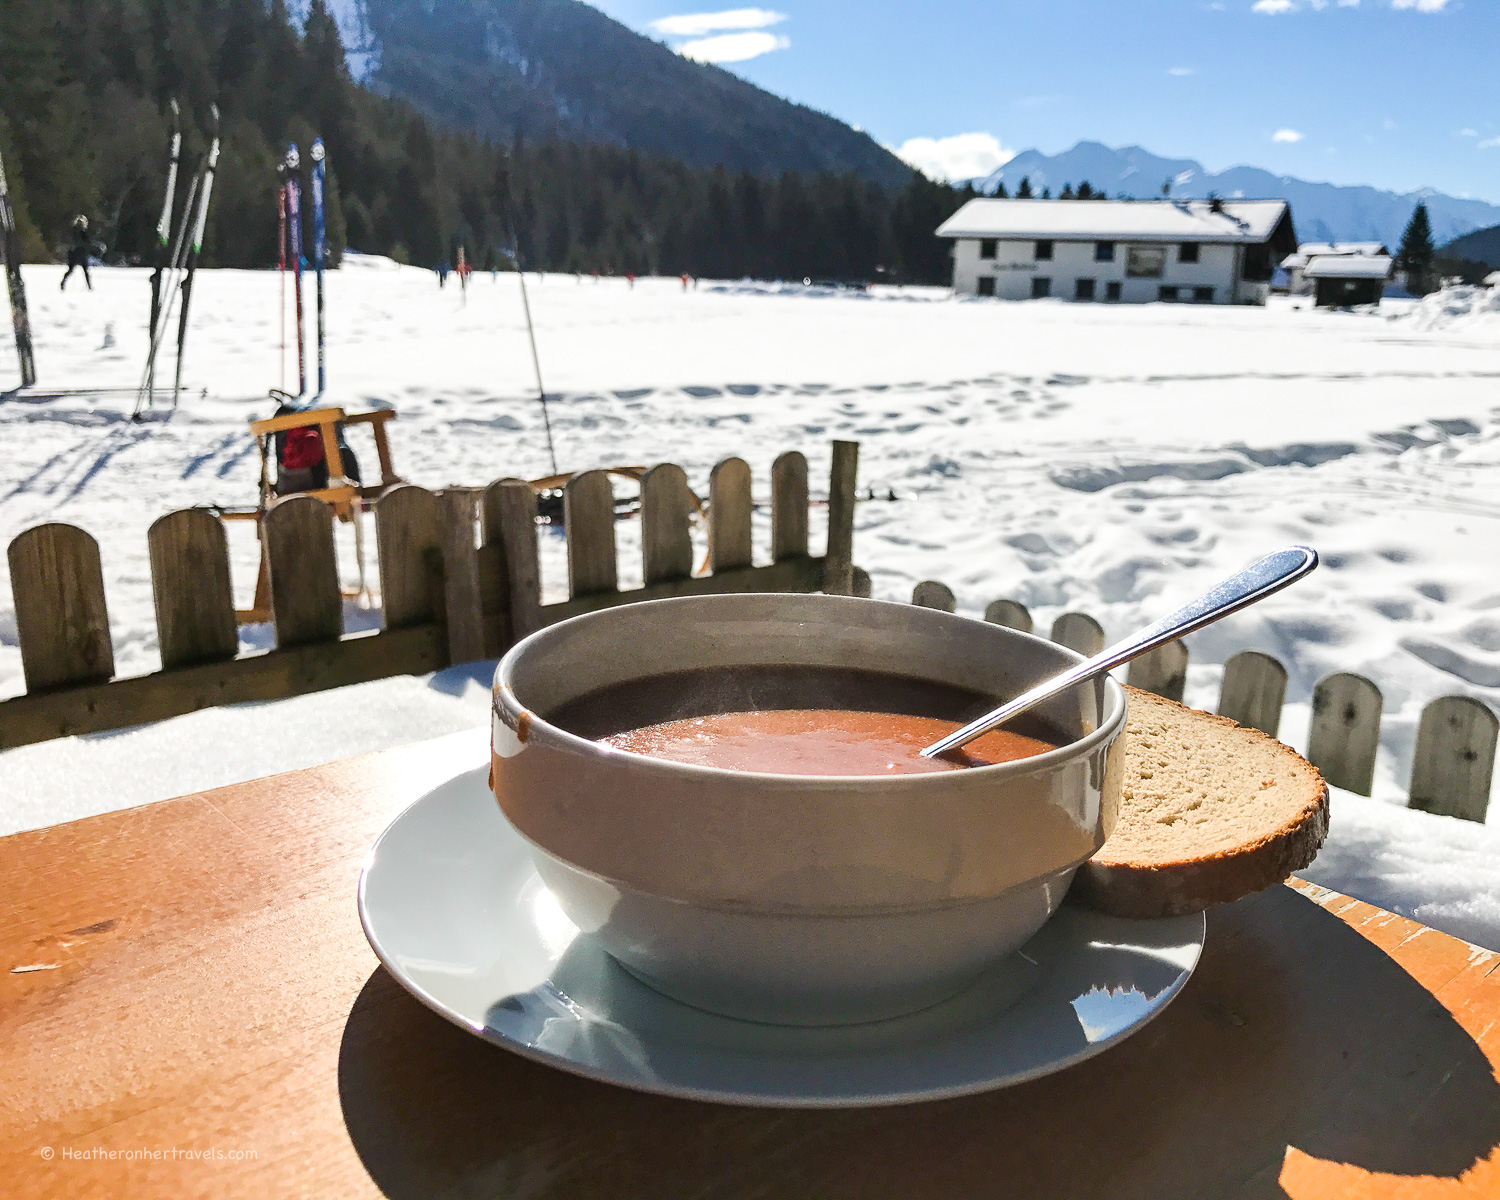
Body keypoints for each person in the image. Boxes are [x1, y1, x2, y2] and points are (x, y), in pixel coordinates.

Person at [60, 215, 94, 291]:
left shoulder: (73, 231)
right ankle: (89, 286)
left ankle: (63, 283)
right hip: (80, 253)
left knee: (71, 270)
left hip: (73, 253)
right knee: (85, 271)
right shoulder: (82, 233)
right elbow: (87, 243)